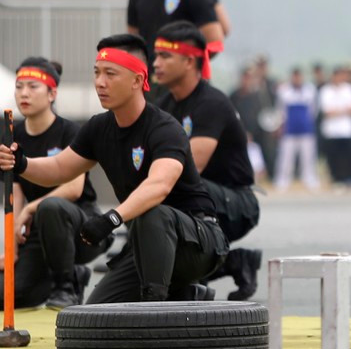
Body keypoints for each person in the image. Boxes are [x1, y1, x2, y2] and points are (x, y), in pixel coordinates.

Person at [0, 34, 229, 302]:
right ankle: (185, 294)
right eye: (96, 73)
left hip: (197, 242)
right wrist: (22, 163)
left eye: (110, 74)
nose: (100, 82)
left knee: (151, 213)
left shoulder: (164, 128)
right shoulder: (99, 127)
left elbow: (159, 186)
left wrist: (111, 218)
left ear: (137, 80)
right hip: (145, 245)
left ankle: (154, 309)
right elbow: (60, 168)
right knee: (97, 315)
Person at [153, 22, 262, 300]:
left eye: (165, 56)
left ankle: (196, 274)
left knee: (169, 186)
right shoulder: (165, 105)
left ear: (190, 61)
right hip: (200, 195)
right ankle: (233, 263)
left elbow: (189, 169)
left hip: (235, 202)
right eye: (156, 56)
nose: (156, 64)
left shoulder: (211, 103)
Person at [0, 58, 108, 310]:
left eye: (33, 87)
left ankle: (67, 285)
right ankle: (50, 279)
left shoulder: (70, 131)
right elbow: (13, 194)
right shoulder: (12, 134)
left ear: (52, 94)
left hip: (81, 225)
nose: (24, 93)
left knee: (51, 207)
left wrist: (29, 209)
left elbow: (73, 189)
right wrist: (11, 248)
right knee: (9, 295)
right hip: (38, 230)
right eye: (19, 86)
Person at [274, 67, 319, 191]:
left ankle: (309, 179)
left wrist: (307, 122)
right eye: (295, 76)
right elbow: (280, 110)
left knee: (308, 157)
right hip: (289, 129)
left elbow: (314, 110)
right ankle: (283, 180)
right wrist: (281, 126)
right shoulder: (284, 91)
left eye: (299, 76)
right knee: (286, 157)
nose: (297, 79)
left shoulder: (310, 90)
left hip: (306, 129)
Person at [319, 66, 351, 186]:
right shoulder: (326, 90)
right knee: (334, 157)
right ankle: (336, 179)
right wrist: (345, 110)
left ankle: (350, 179)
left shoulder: (349, 89)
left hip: (347, 130)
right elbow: (327, 111)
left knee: (349, 156)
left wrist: (338, 111)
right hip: (332, 130)